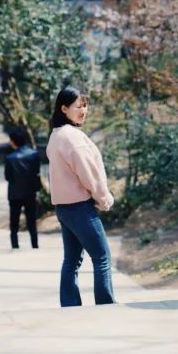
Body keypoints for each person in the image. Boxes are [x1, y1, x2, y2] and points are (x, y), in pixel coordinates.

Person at [46, 83, 115, 306]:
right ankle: (106, 305)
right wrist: (103, 198)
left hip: (63, 208)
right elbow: (89, 174)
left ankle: (69, 305)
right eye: (78, 106)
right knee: (102, 257)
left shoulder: (56, 135)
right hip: (80, 207)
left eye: (85, 105)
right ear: (64, 108)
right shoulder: (72, 138)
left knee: (72, 260)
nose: (83, 110)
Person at [4, 128, 41, 250]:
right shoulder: (34, 154)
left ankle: (15, 245)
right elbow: (37, 173)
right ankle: (34, 245)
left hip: (14, 193)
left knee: (14, 221)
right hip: (30, 192)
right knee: (31, 221)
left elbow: (7, 177)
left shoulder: (10, 158)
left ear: (14, 141)